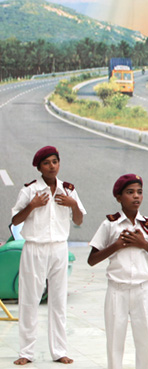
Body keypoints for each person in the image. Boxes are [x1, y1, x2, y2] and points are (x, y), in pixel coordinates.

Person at [12, 146, 86, 366]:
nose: (52, 166)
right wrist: (32, 206)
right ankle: (26, 352)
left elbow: (79, 221)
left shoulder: (69, 189)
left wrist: (74, 205)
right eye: (47, 163)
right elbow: (15, 220)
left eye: (55, 161)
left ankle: (60, 351)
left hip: (59, 249)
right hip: (35, 248)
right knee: (29, 300)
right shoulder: (30, 190)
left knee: (58, 300)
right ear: (39, 167)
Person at [87, 174, 148, 369]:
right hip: (117, 290)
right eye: (130, 192)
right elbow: (92, 259)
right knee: (115, 341)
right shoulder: (110, 224)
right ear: (118, 197)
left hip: (142, 290)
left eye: (139, 192)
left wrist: (144, 244)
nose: (136, 197)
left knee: (145, 340)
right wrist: (115, 246)